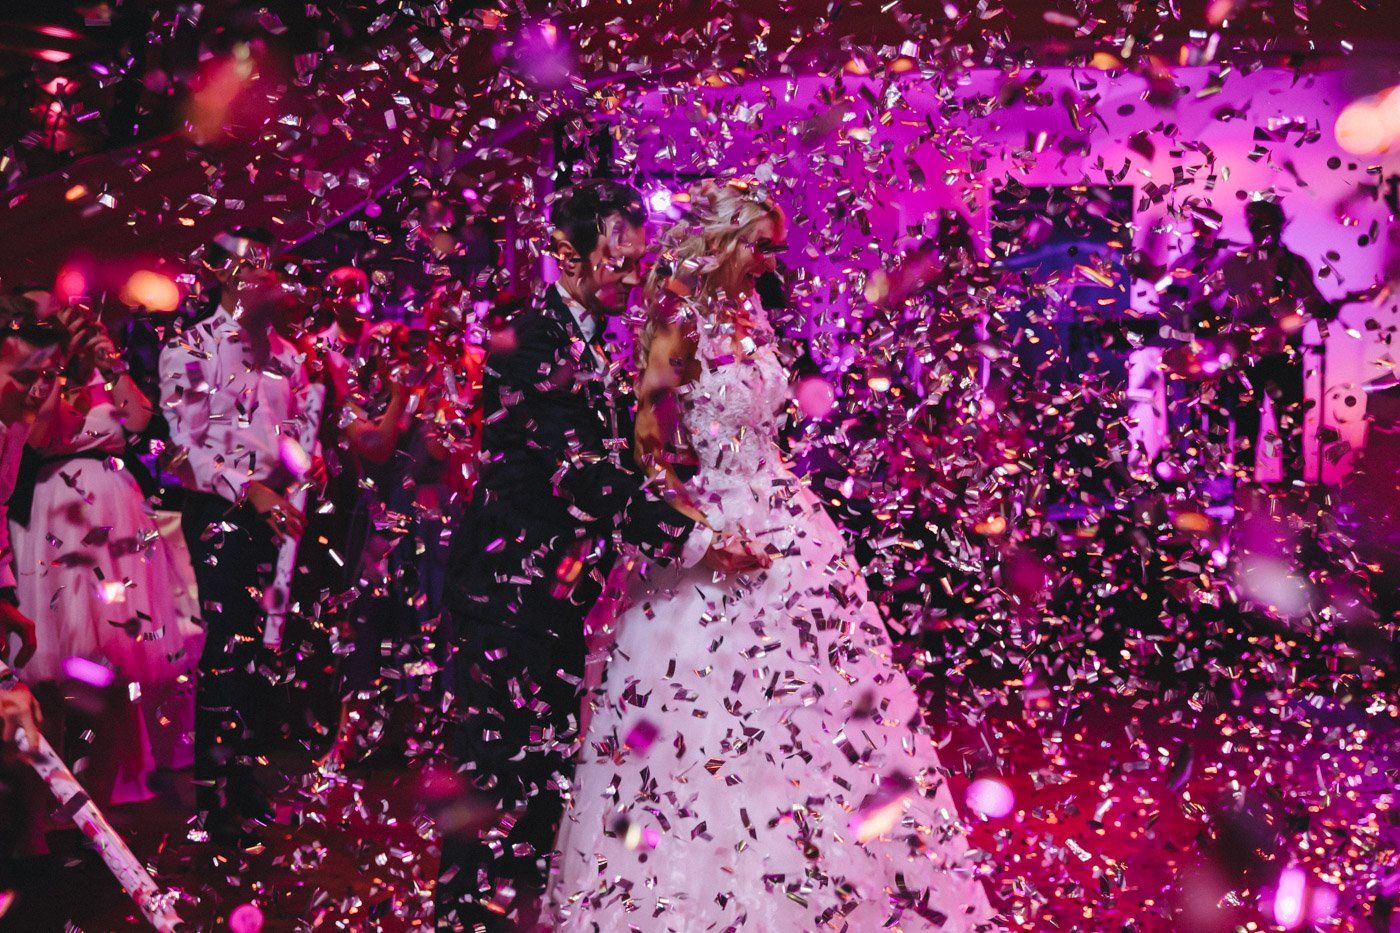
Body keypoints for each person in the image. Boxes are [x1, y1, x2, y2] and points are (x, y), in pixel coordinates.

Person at [547, 178, 996, 930]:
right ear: (721, 239)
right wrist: (700, 529)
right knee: (695, 722)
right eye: (760, 245)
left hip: (789, 529)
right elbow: (649, 441)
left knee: (824, 715)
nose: (770, 261)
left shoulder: (752, 309)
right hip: (711, 535)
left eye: (776, 248)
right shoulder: (673, 314)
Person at [435, 179, 763, 931]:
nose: (630, 276)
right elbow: (577, 472)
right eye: (618, 262)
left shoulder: (593, 344)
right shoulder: (525, 343)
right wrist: (697, 541)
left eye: (637, 260)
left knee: (542, 786)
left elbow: (619, 460)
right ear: (570, 257)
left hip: (560, 599)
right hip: (506, 600)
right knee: (489, 788)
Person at [159, 228, 323, 842]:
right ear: (226, 276)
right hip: (222, 512)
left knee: (266, 653)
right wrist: (249, 490)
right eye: (256, 267)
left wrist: (313, 465)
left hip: (283, 516)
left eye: (271, 265)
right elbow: (182, 452)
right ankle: (212, 792)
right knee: (227, 645)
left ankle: (250, 781)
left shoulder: (289, 355)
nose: (270, 277)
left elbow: (298, 435)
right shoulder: (192, 347)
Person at [11, 292, 202, 807]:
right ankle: (47, 806)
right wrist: (59, 366)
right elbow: (40, 433)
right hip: (57, 517)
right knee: (52, 672)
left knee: (111, 670)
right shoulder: (33, 375)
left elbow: (138, 422)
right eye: (56, 316)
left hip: (114, 514)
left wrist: (107, 364)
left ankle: (99, 801)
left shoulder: (98, 373)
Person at [1213, 198, 1330, 484]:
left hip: (1284, 356)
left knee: (1290, 429)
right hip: (1245, 358)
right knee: (1244, 431)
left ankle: (1293, 501)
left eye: (1265, 223)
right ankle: (1240, 501)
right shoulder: (1234, 264)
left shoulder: (1294, 264)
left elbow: (1315, 305)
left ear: (1278, 227)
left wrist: (1289, 323)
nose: (1259, 230)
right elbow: (1218, 310)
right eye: (1255, 223)